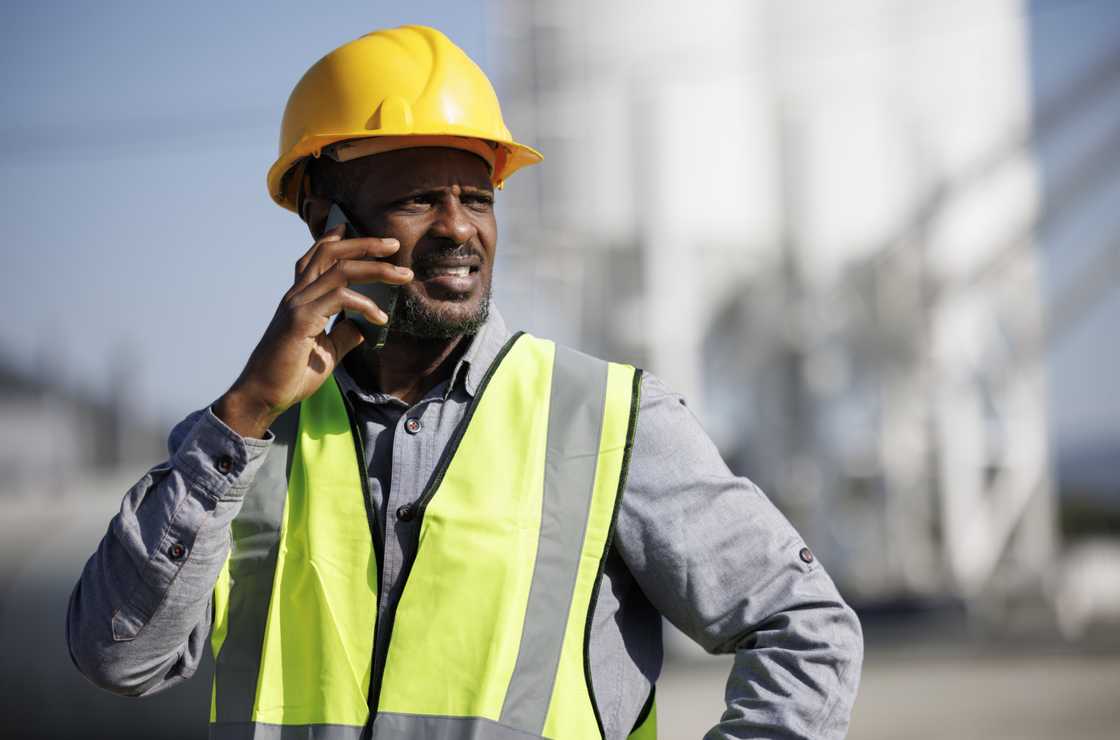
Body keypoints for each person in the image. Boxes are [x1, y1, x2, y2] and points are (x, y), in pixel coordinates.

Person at [66, 25, 862, 740]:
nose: (458, 228)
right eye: (419, 198)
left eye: (477, 198)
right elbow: (118, 655)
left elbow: (807, 631)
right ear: (323, 219)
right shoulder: (246, 447)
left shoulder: (609, 422)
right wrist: (243, 414)